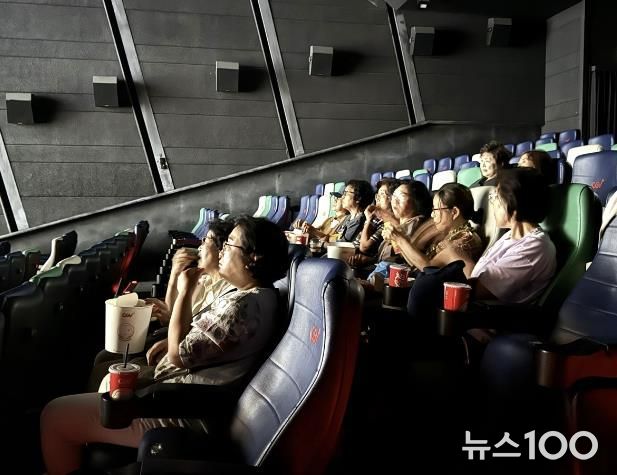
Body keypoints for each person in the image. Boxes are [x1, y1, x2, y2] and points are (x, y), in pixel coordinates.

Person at [40, 217, 289, 475]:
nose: (223, 250)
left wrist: (185, 290)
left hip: (181, 411)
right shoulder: (252, 296)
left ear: (254, 257)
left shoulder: (242, 307)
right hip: (182, 399)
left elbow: (178, 354)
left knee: (55, 415)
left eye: (230, 244)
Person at [469, 167, 556, 304]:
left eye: (496, 197)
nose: (492, 203)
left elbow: (478, 290)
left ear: (514, 206)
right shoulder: (511, 235)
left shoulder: (534, 247)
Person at [382, 182, 483, 277]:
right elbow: (415, 264)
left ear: (454, 212)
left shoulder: (465, 240)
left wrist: (399, 239)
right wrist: (397, 239)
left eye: (436, 210)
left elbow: (428, 267)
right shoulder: (451, 234)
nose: (432, 215)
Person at [148, 218, 235, 325]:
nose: (199, 247)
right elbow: (173, 312)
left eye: (205, 240)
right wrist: (175, 272)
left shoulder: (228, 293)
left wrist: (169, 319)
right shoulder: (203, 280)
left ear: (222, 250)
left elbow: (186, 328)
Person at [354, 178, 400, 257]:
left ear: (392, 198)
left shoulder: (390, 223)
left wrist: (368, 220)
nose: (377, 198)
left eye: (382, 194)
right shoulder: (376, 219)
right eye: (377, 194)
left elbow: (364, 247)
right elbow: (356, 243)